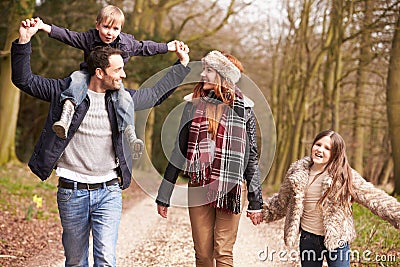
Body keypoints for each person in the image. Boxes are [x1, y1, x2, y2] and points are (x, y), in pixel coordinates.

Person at [12, 17, 190, 267]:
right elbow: (25, 81)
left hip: (109, 191)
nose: (123, 75)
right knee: (75, 261)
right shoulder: (65, 92)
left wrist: (181, 67)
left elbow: (153, 96)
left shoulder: (122, 99)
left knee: (106, 259)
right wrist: (23, 41)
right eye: (118, 70)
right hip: (71, 191)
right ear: (99, 72)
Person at [156, 50, 264, 267]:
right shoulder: (192, 106)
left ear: (224, 76)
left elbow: (251, 157)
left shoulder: (245, 111)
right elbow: (180, 150)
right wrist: (164, 193)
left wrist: (255, 201)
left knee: (223, 252)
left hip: (232, 188)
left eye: (209, 70)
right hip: (199, 186)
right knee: (203, 254)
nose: (202, 74)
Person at [36, 5, 182, 159]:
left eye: (115, 29)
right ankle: (66, 114)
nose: (110, 33)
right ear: (97, 24)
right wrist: (44, 27)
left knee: (123, 97)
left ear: (120, 29)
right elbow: (68, 36)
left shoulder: (126, 43)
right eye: (106, 27)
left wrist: (167, 47)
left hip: (112, 80)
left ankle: (130, 133)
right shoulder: (89, 38)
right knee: (76, 79)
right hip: (89, 75)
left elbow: (145, 47)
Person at [262, 129, 400, 267]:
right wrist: (262, 212)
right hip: (308, 238)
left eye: (327, 148)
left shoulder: (344, 176)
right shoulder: (298, 172)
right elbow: (282, 201)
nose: (320, 150)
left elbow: (374, 198)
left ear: (335, 153)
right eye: (318, 144)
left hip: (337, 239)